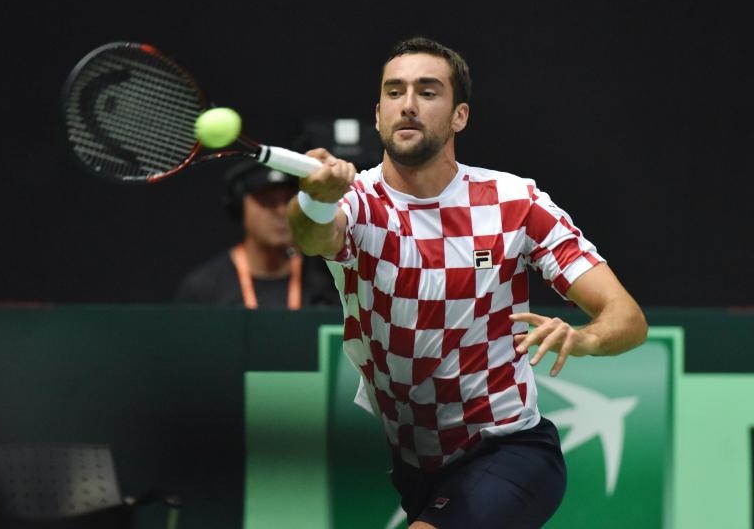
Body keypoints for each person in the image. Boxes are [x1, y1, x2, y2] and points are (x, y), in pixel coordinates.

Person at [286, 37, 648, 528]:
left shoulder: (514, 202)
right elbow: (311, 236)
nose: (408, 104)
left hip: (511, 450)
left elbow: (627, 319)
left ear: (460, 116)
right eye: (395, 92)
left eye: (428, 91)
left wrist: (582, 339)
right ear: (377, 114)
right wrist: (315, 199)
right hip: (418, 469)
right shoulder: (359, 203)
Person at [175, 158, 338, 308]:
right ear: (239, 208)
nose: (282, 211)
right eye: (267, 201)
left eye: (289, 200)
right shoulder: (203, 289)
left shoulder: (328, 283)